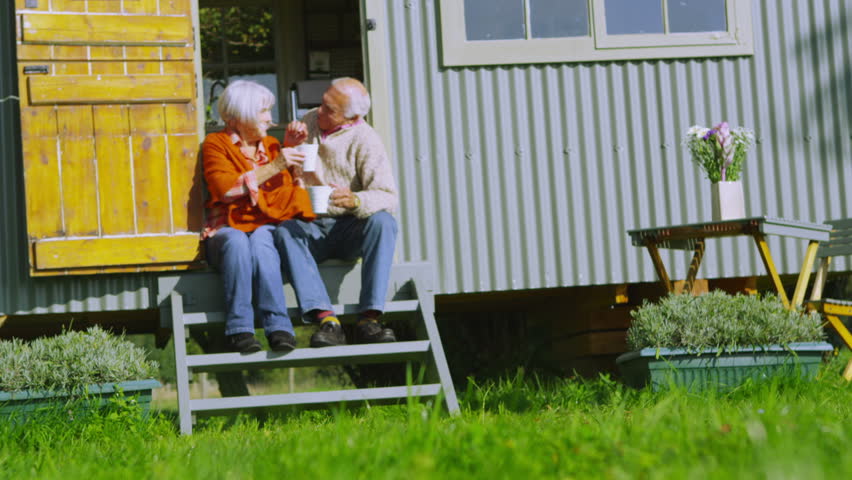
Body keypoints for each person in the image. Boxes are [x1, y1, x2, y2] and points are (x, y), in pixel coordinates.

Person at [274, 77, 399, 347]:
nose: (320, 111)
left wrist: (355, 200)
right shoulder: (308, 120)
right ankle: (327, 320)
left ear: (350, 117)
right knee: (285, 231)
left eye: (329, 110)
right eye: (322, 103)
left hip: (347, 228)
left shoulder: (366, 139)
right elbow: (287, 176)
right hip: (310, 223)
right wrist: (288, 144)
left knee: (384, 222)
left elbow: (387, 196)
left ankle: (370, 318)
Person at [203, 80, 315, 353]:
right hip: (227, 226)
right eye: (263, 111)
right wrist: (277, 165)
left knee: (263, 243)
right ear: (239, 116)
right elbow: (227, 189)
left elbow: (283, 194)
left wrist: (289, 150)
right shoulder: (215, 144)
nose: (270, 118)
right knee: (238, 242)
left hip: (264, 224)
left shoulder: (273, 144)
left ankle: (279, 328)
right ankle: (240, 330)